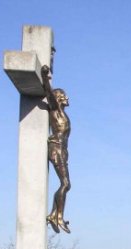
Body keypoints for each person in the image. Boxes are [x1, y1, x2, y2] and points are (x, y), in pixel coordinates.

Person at [40, 65, 72, 234]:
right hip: (56, 148)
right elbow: (48, 92)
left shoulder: (62, 114)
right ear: (59, 98)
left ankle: (55, 213)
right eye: (64, 96)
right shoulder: (55, 110)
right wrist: (45, 76)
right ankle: (57, 215)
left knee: (66, 184)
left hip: (62, 150)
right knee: (66, 184)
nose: (67, 98)